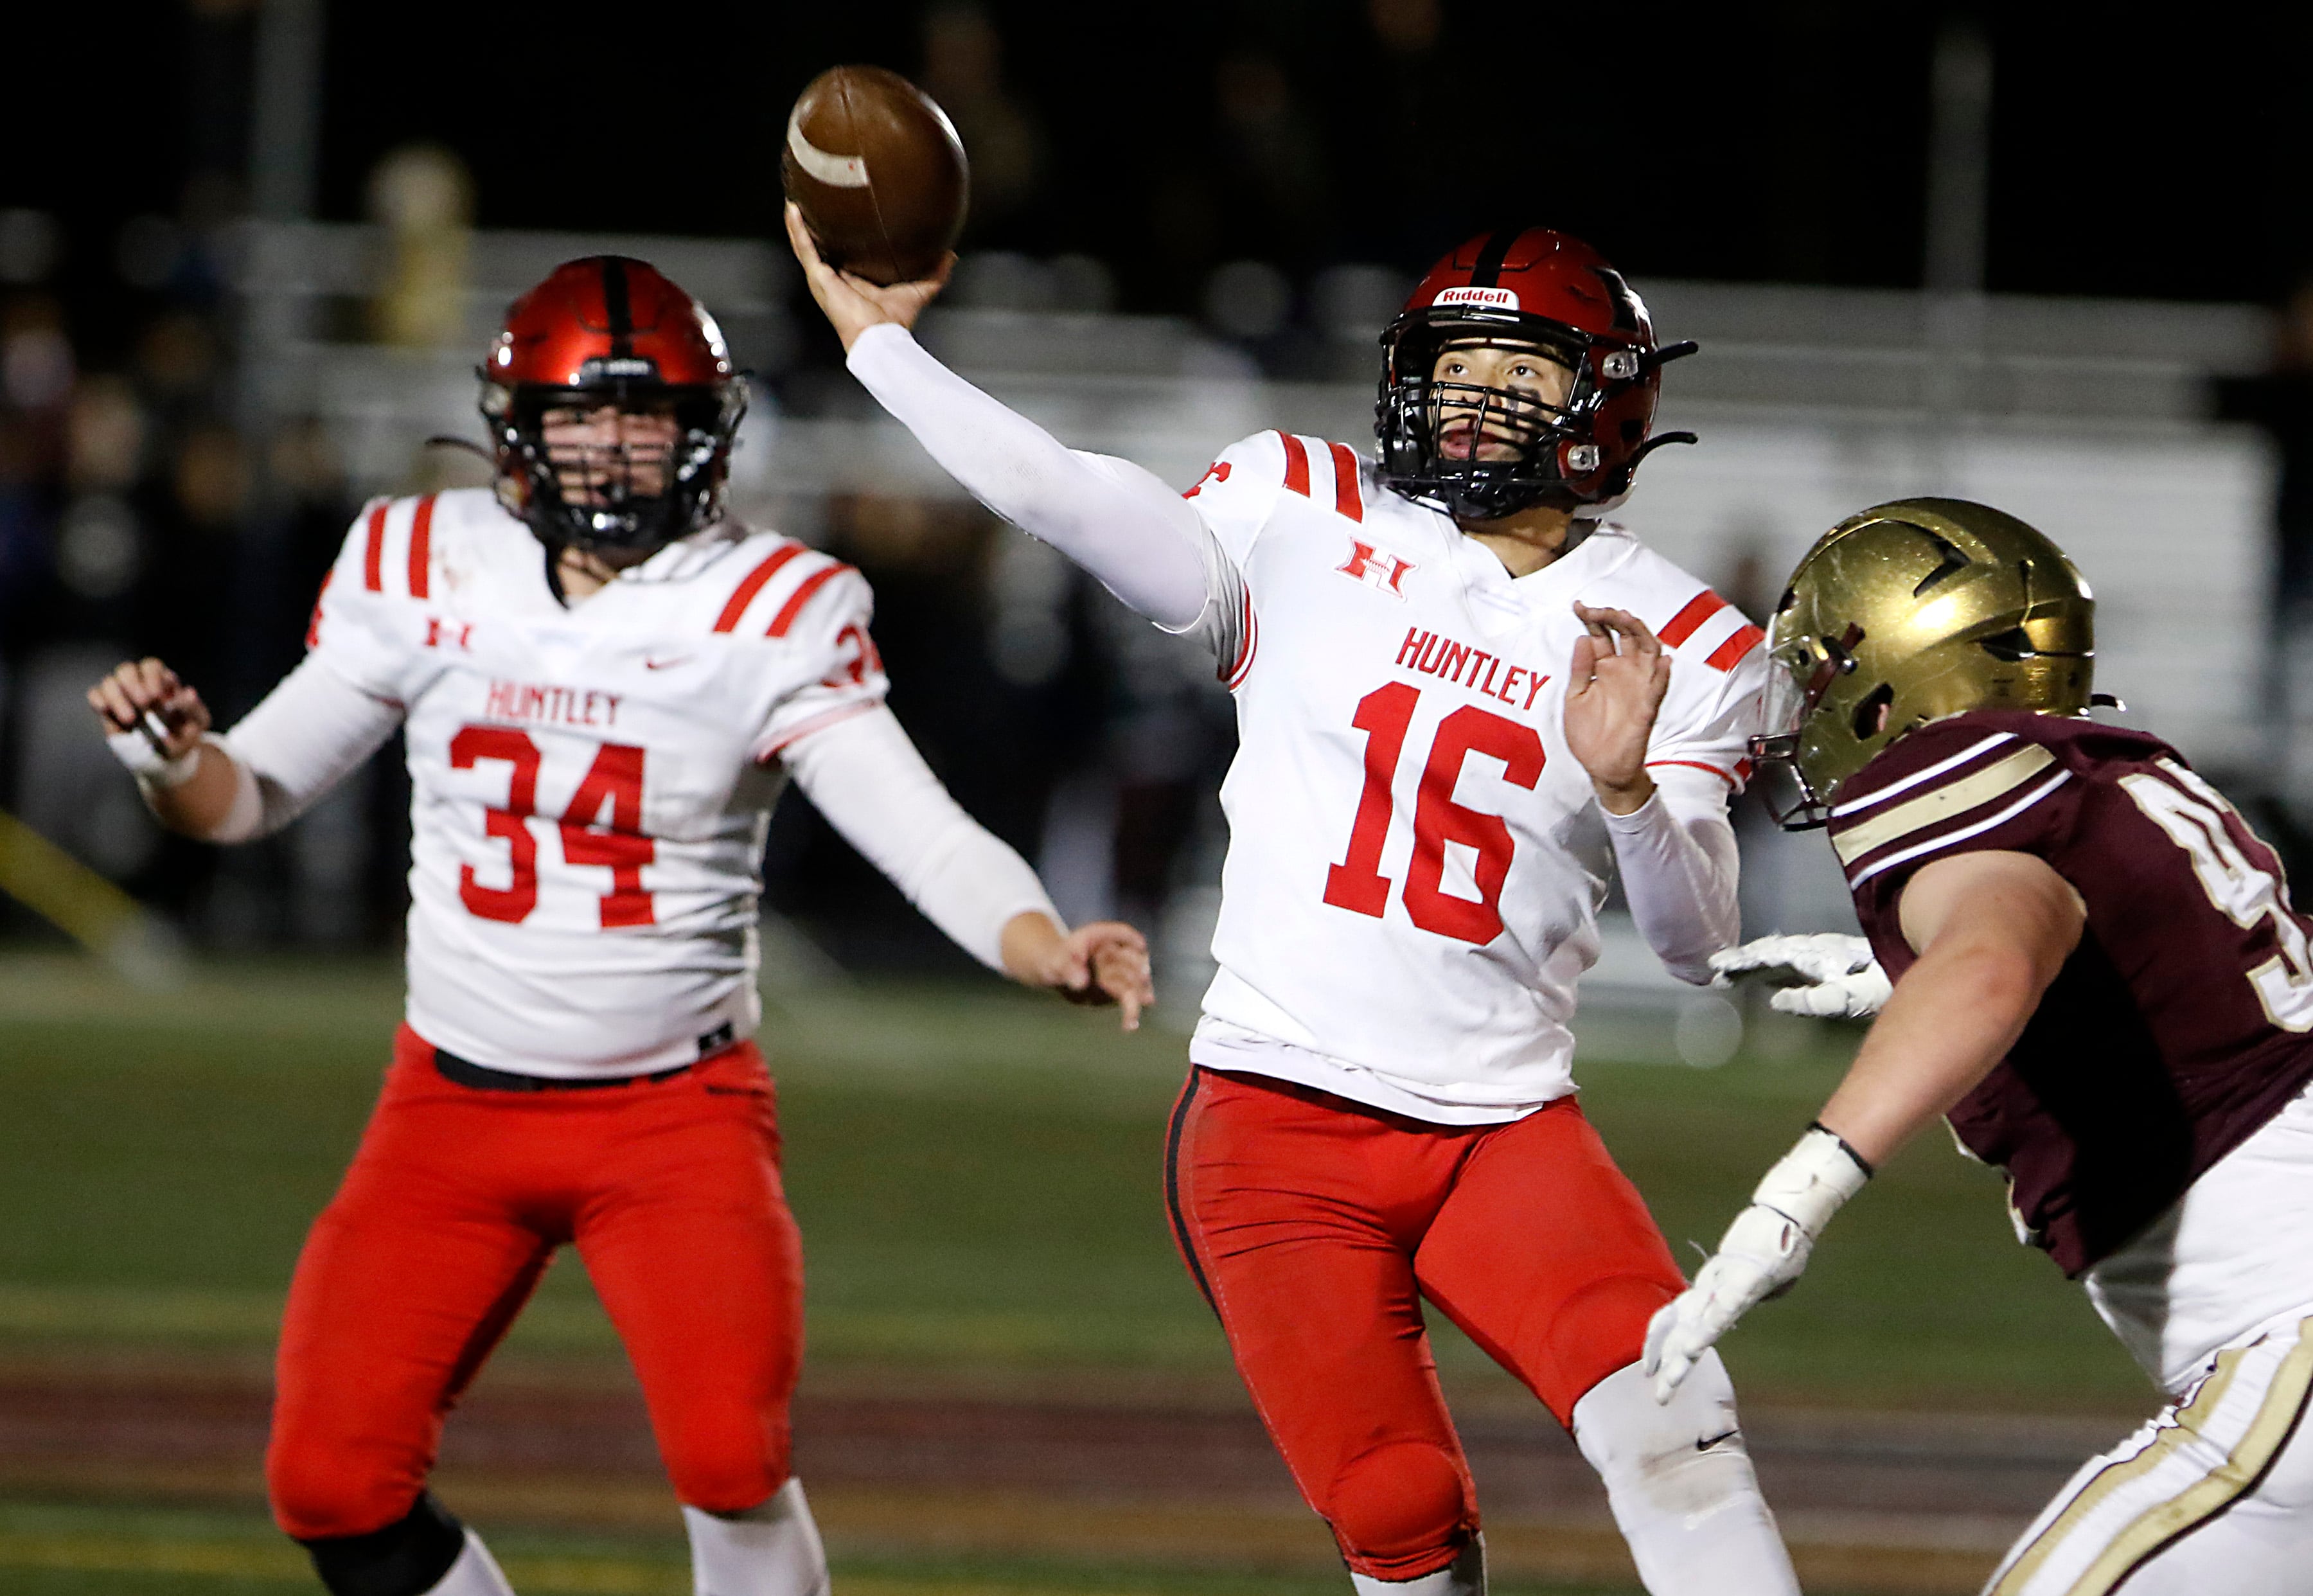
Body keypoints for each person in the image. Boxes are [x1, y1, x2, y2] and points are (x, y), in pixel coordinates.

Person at [88, 256, 1151, 1596]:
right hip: (450, 1110)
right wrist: (167, 761)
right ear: (516, 426)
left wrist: (1038, 938)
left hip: (674, 1117)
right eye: (584, 415)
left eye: (648, 416)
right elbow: (242, 799)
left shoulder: (770, 603)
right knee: (330, 1480)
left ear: (703, 430)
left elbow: (921, 828)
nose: (614, 448)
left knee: (730, 1461)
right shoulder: (426, 560)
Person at [790, 215, 1801, 1596]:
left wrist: (1631, 791)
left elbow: (1697, 949)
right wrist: (884, 352)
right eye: (1459, 365)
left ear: (1604, 406)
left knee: (1680, 1429)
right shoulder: (1298, 509)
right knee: (1398, 1512)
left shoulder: (1685, 637)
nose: (1476, 399)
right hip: (1274, 1121)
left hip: (1499, 1126)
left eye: (1524, 375)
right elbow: (1070, 497)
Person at [1647, 497, 2313, 1595]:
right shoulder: (2105, 767)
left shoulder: (1961, 773)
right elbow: (2121, 960)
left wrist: (1793, 1198)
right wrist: (1892, 972)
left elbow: (1997, 963)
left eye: (1819, 676)